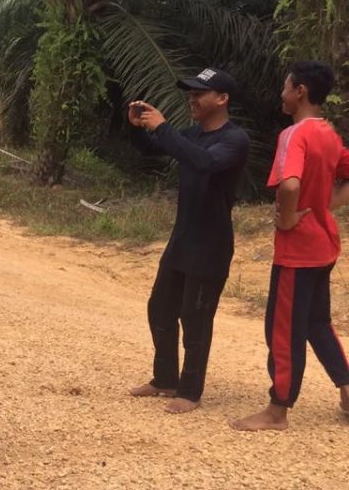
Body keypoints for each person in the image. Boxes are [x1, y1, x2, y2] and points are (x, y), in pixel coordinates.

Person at [231, 61, 349, 431]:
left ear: (300, 92)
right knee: (317, 323)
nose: (281, 94)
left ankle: (277, 410)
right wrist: (327, 206)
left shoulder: (293, 135)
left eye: (285, 87)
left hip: (297, 252)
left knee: (282, 330)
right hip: (325, 245)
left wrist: (287, 219)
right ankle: (347, 391)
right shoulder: (328, 134)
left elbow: (291, 184)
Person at [127, 68, 250, 414]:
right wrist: (136, 128)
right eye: (191, 92)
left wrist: (163, 127)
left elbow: (205, 162)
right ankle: (164, 379)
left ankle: (190, 390)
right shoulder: (193, 134)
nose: (192, 98)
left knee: (195, 318)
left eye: (200, 93)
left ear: (222, 99)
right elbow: (154, 149)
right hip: (182, 239)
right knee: (160, 308)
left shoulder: (234, 140)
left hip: (211, 245)